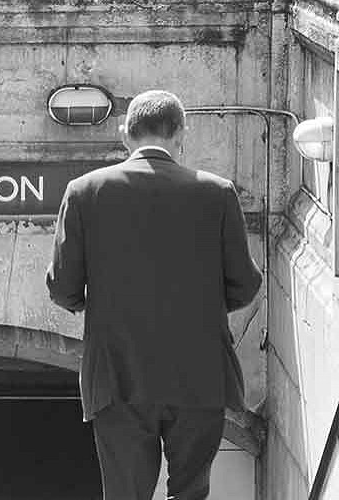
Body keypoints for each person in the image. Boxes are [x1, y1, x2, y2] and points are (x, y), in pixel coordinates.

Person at [45, 90, 262, 500]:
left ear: (126, 134)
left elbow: (62, 288)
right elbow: (246, 285)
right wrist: (200, 305)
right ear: (180, 134)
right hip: (198, 375)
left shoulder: (84, 191)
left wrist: (104, 305)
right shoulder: (217, 193)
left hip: (117, 375)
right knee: (191, 491)